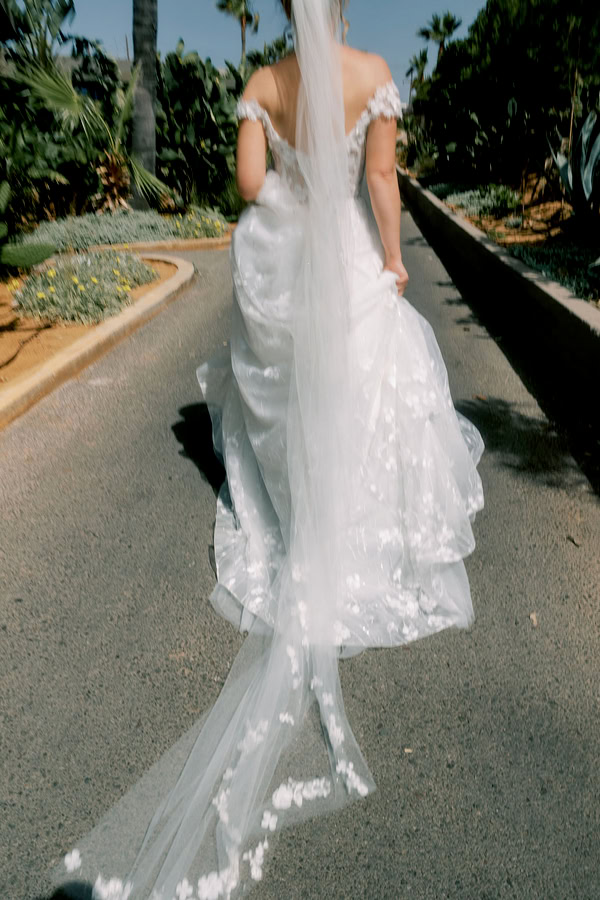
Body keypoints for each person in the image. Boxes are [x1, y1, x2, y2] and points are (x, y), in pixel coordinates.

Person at [84, 0, 484, 896]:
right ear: (338, 8)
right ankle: (355, 522)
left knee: (289, 401)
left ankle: (301, 518)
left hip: (295, 254)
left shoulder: (264, 82)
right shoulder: (373, 75)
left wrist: (295, 207)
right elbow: (382, 183)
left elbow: (251, 186)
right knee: (364, 391)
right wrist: (391, 258)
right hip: (345, 247)